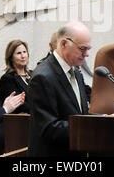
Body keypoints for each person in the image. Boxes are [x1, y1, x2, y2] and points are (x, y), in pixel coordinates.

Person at [28, 21, 91, 157]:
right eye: (82, 48)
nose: (87, 54)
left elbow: (79, 115)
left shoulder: (76, 71)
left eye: (88, 49)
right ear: (63, 44)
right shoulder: (42, 77)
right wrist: (92, 127)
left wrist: (104, 119)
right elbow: (49, 128)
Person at [0, 39, 32, 113]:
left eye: (24, 52)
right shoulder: (7, 79)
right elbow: (19, 105)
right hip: (22, 120)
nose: (23, 56)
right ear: (11, 57)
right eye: (18, 53)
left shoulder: (33, 74)